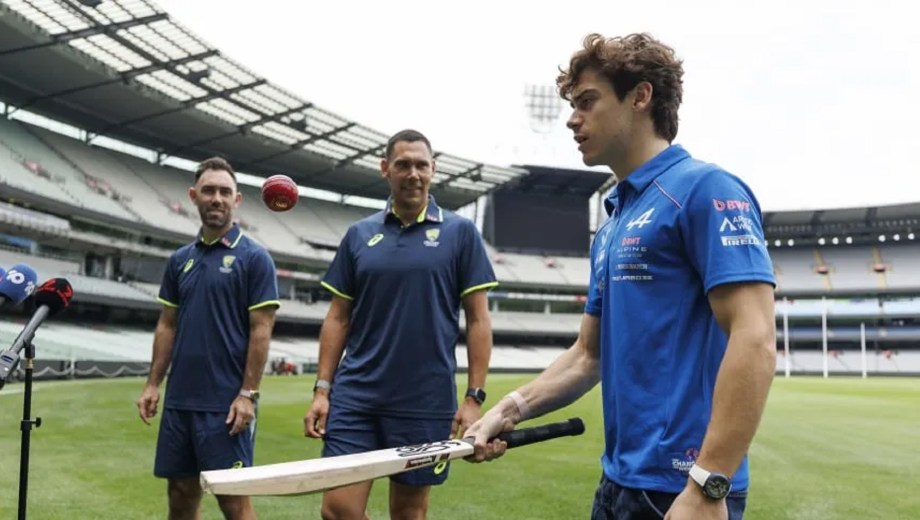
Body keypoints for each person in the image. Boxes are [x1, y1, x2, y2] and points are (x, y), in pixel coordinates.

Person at [464, 33, 777, 520]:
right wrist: (507, 409)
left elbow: (754, 337)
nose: (572, 117)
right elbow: (588, 355)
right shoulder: (611, 223)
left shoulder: (704, 188)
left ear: (640, 96)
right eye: (572, 104)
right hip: (618, 483)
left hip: (684, 489)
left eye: (587, 101)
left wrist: (708, 484)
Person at [303, 129, 497, 520]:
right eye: (403, 164)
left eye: (421, 165)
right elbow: (338, 317)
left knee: (409, 513)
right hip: (356, 395)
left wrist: (474, 397)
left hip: (424, 401)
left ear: (434, 170)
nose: (413, 174)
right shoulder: (359, 235)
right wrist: (323, 389)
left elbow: (477, 319)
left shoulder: (460, 233)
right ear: (385, 169)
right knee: (337, 509)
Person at [137, 156, 280, 520]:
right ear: (194, 196)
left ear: (237, 199)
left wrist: (248, 394)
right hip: (180, 400)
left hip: (226, 403)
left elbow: (261, 330)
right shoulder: (179, 260)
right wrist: (153, 384)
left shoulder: (255, 258)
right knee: (180, 494)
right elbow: (167, 324)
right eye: (209, 190)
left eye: (224, 191)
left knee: (233, 500)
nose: (216, 198)